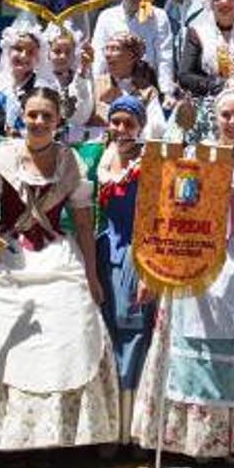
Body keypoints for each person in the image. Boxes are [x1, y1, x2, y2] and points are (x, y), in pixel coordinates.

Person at [0, 88, 118, 451]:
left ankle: (65, 433)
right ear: (22, 116)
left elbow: (84, 225)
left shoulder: (71, 162)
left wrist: (92, 276)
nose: (37, 122)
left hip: (56, 254)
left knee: (72, 323)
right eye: (32, 115)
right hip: (8, 253)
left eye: (46, 117)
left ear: (58, 122)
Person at [132, 90, 234, 461]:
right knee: (194, 346)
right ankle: (197, 439)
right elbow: (173, 216)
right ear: (216, 118)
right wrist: (154, 269)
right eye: (226, 115)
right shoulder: (197, 159)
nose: (232, 123)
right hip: (196, 260)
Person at [92, 96, 150, 444]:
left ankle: (129, 429)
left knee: (133, 333)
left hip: (134, 253)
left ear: (140, 126)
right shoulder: (100, 156)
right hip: (103, 251)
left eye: (129, 123)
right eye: (116, 122)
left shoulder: (147, 164)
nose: (121, 130)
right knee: (107, 334)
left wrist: (146, 270)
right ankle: (109, 425)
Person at [90, 0, 176, 99]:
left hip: (146, 88)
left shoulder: (159, 16)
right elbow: (99, 58)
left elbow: (164, 57)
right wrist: (95, 89)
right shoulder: (106, 17)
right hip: (113, 90)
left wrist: (167, 93)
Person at [46, 23, 98, 141]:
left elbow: (82, 115)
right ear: (48, 53)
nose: (63, 56)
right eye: (57, 51)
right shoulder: (42, 80)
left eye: (68, 52)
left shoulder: (80, 77)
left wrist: (83, 72)